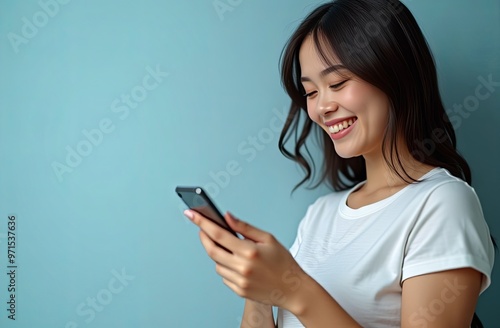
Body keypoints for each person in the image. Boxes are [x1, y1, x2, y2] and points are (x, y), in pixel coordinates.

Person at [183, 0, 496, 327]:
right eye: (310, 91)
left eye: (337, 83)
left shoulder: (442, 203)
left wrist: (294, 289)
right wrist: (259, 290)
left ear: (394, 72)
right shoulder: (320, 214)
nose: (321, 108)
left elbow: (300, 298)